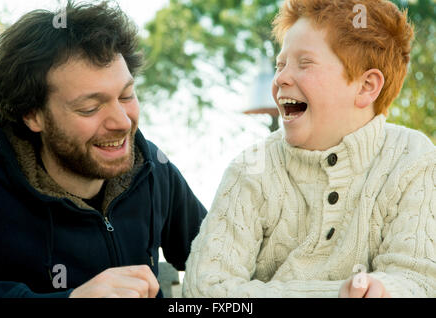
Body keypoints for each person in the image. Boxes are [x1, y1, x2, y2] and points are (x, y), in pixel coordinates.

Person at [183, 0, 435, 298]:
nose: (280, 79)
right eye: (281, 65)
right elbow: (204, 291)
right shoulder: (252, 167)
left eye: (305, 63)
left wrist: (382, 291)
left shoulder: (412, 157)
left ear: (367, 86)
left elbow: (418, 281)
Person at [0, 1, 206, 298]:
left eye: (126, 95)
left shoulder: (154, 168)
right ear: (32, 115)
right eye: (90, 108)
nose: (122, 121)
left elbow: (224, 260)